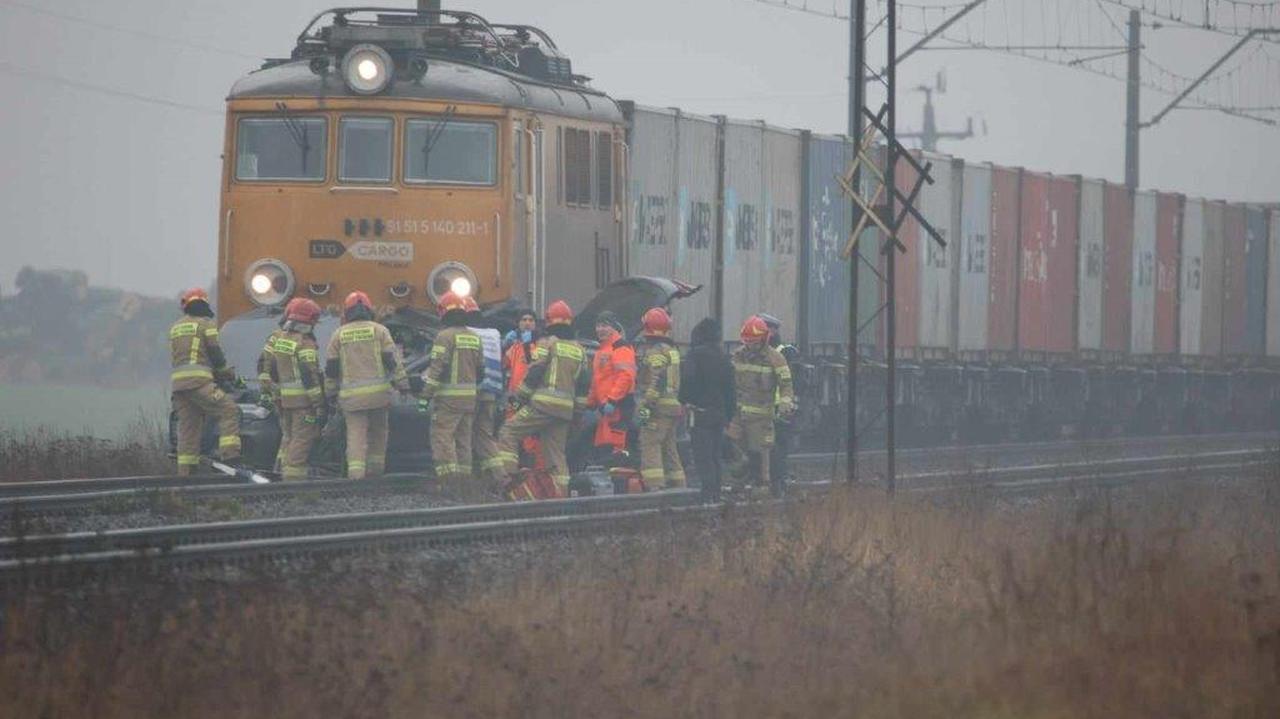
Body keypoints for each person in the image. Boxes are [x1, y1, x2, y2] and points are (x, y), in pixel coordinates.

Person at [495, 300, 587, 497]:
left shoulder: (547, 343)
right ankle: (562, 495)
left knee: (508, 432)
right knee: (556, 455)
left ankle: (508, 483)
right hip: (565, 411)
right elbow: (583, 387)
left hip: (543, 405)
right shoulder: (580, 350)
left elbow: (535, 371)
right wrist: (577, 415)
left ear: (548, 321)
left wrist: (519, 398)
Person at [324, 290, 409, 480]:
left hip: (352, 399)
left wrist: (330, 393)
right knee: (379, 434)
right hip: (379, 396)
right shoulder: (380, 331)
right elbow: (392, 361)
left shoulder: (338, 335)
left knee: (356, 436)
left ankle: (356, 476)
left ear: (347, 313)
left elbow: (331, 368)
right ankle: (376, 474)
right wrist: (403, 385)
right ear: (369, 310)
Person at [169, 287, 240, 475]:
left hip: (179, 387)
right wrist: (225, 372)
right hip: (199, 383)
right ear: (203, 303)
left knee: (188, 428)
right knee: (228, 409)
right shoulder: (206, 325)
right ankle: (230, 458)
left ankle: (186, 473)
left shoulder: (176, 327)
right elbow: (215, 352)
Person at [728, 315, 795, 495]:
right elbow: (729, 382)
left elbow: (786, 384)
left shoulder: (776, 358)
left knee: (760, 452)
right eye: (747, 342)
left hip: (761, 416)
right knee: (734, 448)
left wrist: (785, 403)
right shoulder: (737, 356)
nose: (750, 345)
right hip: (738, 414)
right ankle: (738, 484)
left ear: (764, 339)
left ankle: (762, 486)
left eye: (754, 342)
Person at [421, 291, 482, 488]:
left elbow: (437, 369)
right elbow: (481, 370)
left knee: (443, 438)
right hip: (470, 399)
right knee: (464, 440)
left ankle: (449, 483)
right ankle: (465, 484)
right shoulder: (474, 337)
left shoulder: (444, 337)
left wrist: (424, 397)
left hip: (448, 400)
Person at [262, 298, 324, 481]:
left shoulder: (279, 338)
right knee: (302, 438)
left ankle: (279, 472)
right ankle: (292, 481)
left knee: (288, 437)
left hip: (283, 400)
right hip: (303, 402)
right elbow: (309, 374)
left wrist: (275, 392)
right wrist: (319, 403)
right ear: (309, 320)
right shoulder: (305, 342)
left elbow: (270, 368)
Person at [679, 318, 736, 502]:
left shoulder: (694, 355)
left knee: (703, 456)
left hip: (700, 412)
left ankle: (707, 495)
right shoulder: (724, 358)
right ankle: (717, 494)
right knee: (715, 455)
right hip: (719, 414)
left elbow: (688, 381)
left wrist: (685, 399)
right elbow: (731, 390)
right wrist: (728, 415)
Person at [634, 307, 685, 488]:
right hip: (673, 406)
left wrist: (647, 404)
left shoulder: (655, 351)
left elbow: (658, 378)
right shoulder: (672, 350)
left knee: (650, 444)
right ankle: (678, 486)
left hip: (658, 407)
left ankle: (654, 488)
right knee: (670, 448)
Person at [464, 296, 506, 491]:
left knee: (464, 436)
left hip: (472, 392)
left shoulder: (465, 333)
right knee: (484, 436)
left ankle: (467, 481)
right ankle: (499, 476)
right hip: (491, 392)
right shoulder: (493, 334)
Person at [758, 313, 802, 496]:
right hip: (764, 408)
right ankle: (769, 482)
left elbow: (792, 382)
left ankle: (778, 482)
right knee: (765, 447)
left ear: (774, 330)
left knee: (778, 448)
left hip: (780, 410)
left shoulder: (786, 352)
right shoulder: (758, 351)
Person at [587, 310, 636, 461]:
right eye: (598, 325)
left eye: (604, 325)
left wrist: (612, 400)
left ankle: (619, 482)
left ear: (613, 327)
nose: (600, 329)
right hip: (606, 409)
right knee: (605, 449)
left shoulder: (621, 347)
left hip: (619, 406)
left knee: (617, 450)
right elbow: (598, 380)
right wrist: (590, 402)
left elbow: (625, 377)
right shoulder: (601, 350)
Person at [502, 309, 544, 469]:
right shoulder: (515, 346)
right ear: (518, 324)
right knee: (509, 436)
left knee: (531, 440)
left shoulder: (539, 345)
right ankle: (511, 472)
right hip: (514, 399)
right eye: (524, 320)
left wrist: (527, 344)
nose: (527, 323)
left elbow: (532, 363)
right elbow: (502, 364)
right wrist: (504, 345)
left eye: (530, 320)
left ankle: (534, 473)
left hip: (530, 398)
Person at [255, 311, 290, 471]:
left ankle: (279, 468)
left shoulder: (275, 337)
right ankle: (284, 470)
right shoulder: (300, 340)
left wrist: (266, 391)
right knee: (292, 432)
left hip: (278, 395)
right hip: (292, 397)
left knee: (287, 431)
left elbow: (263, 363)